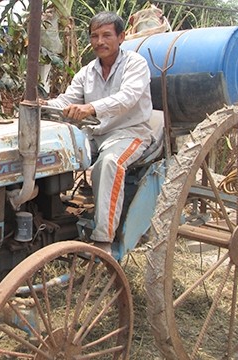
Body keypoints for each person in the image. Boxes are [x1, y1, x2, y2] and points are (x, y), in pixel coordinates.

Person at [41, 11, 153, 255]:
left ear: (121, 37)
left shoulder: (135, 64)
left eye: (106, 35)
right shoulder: (86, 72)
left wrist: (91, 107)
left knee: (109, 164)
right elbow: (67, 101)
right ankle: (47, 220)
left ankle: (103, 240)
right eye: (94, 36)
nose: (100, 41)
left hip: (129, 132)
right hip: (94, 135)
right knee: (50, 152)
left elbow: (128, 98)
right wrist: (44, 105)